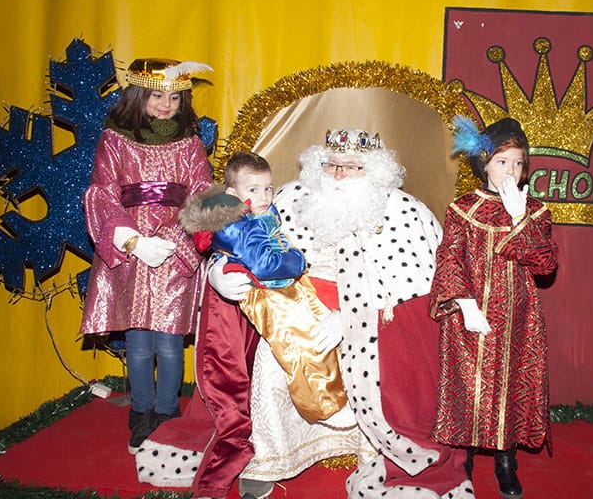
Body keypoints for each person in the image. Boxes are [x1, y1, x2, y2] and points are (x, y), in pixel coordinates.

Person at [135, 128, 474, 499]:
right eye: (331, 165)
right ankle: (269, 458)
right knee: (270, 362)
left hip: (372, 314)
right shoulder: (288, 197)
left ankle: (371, 447)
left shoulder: (405, 212)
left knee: (369, 361)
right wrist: (218, 269)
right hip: (294, 303)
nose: (339, 174)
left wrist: (350, 318)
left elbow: (417, 285)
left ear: (376, 169)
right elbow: (239, 238)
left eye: (353, 166)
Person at [80, 57, 214, 454]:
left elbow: (201, 194)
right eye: (157, 95)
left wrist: (172, 237)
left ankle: (168, 412)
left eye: (175, 97)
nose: (166, 104)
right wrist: (133, 241)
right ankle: (141, 411)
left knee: (170, 343)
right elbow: (102, 191)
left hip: (174, 252)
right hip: (133, 252)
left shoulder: (190, 144)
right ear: (139, 95)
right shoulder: (115, 140)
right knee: (138, 344)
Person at [429, 116, 558, 498]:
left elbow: (545, 264)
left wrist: (519, 218)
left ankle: (505, 459)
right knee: (470, 385)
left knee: (511, 388)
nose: (511, 171)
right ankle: (465, 456)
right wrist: (465, 305)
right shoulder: (462, 209)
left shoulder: (534, 211)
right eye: (502, 162)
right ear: (484, 164)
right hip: (470, 318)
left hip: (518, 319)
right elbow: (449, 257)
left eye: (518, 163)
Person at [179, 150, 355, 428]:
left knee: (318, 327)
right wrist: (296, 260)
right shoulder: (235, 222)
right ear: (232, 193)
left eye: (268, 188)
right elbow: (265, 263)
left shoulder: (265, 207)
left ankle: (339, 394)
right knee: (295, 338)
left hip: (299, 285)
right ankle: (322, 405)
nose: (264, 196)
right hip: (265, 290)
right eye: (254, 190)